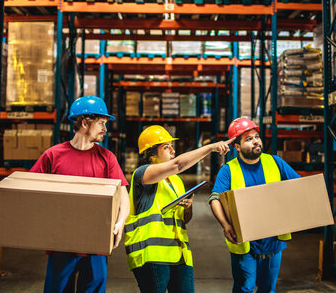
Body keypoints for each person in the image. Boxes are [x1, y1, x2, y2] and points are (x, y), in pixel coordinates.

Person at [30, 96, 130, 293]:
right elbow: (32, 192)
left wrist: (120, 223)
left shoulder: (106, 158)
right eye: (101, 123)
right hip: (61, 242)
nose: (105, 129)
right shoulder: (53, 155)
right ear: (85, 123)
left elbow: (123, 195)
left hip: (96, 243)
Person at [124, 125, 234, 293]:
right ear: (151, 152)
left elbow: (184, 220)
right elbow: (178, 164)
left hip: (179, 253)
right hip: (152, 254)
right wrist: (211, 147)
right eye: (166, 147)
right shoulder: (142, 174)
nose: (172, 151)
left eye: (171, 146)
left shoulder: (176, 182)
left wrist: (188, 209)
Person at [209, 117, 301, 293]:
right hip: (244, 242)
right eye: (248, 139)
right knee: (246, 288)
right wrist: (226, 225)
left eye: (256, 137)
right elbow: (215, 199)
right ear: (237, 147)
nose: (256, 142)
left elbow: (298, 187)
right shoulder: (228, 170)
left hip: (273, 241)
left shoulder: (275, 162)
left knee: (268, 288)